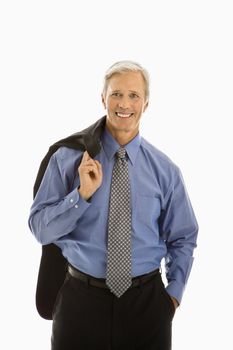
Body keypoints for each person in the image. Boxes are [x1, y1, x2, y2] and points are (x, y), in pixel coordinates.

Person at [29, 60, 198, 350]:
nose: (124, 103)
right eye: (117, 93)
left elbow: (183, 237)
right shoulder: (68, 159)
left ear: (146, 104)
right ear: (103, 98)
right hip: (80, 302)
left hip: (146, 305)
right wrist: (80, 195)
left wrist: (173, 296)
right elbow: (41, 230)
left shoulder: (165, 171)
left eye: (134, 95)